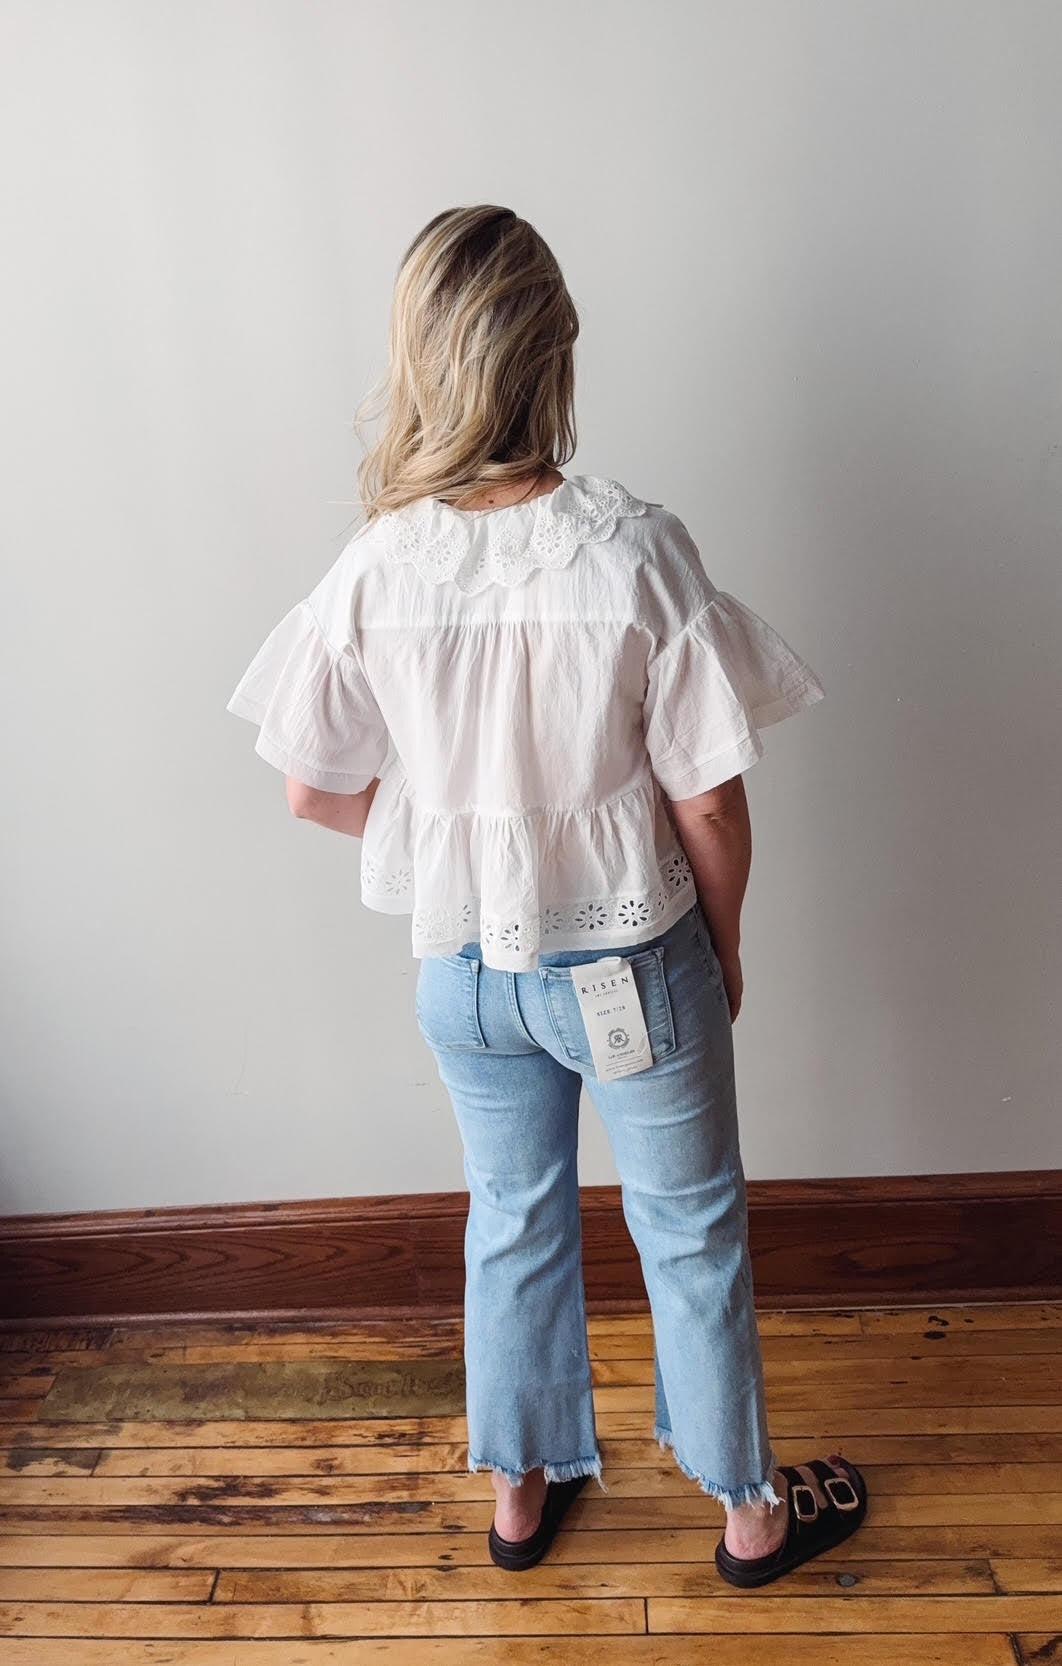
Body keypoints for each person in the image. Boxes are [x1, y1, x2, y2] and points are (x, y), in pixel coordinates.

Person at [225, 204, 868, 1587]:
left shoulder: (379, 564)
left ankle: (519, 1498)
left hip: (463, 976)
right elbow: (705, 795)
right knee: (687, 1229)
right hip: (631, 965)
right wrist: (725, 943)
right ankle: (751, 1518)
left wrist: (454, 841)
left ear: (423, 360)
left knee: (511, 1216)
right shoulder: (632, 549)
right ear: (551, 355)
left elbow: (308, 784)